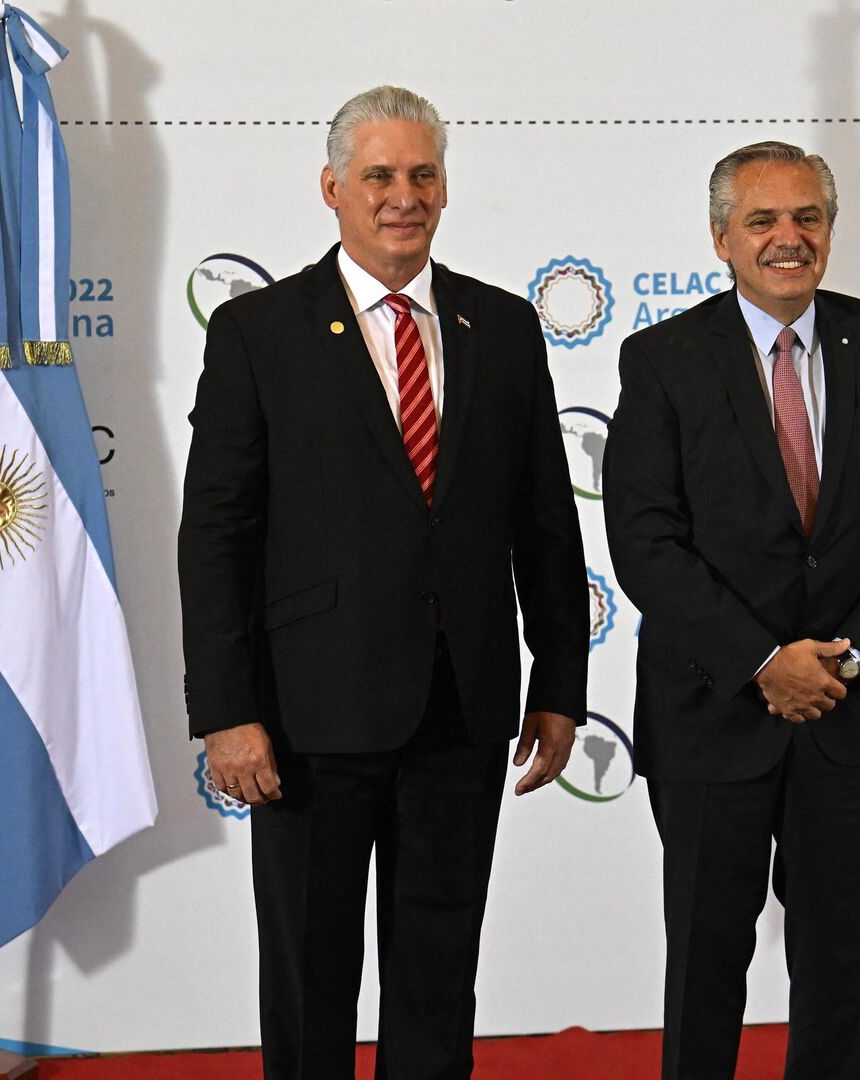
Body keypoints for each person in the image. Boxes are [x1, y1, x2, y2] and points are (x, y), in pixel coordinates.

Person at [177, 85, 586, 1079]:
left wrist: (561, 687)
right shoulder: (259, 333)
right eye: (379, 177)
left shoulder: (504, 327)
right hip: (306, 719)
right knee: (310, 976)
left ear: (443, 187)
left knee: (440, 976)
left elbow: (546, 521)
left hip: (463, 705)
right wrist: (227, 712)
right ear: (333, 189)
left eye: (421, 175)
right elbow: (215, 536)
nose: (403, 196)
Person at [603, 141, 860, 1079]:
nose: (787, 238)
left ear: (831, 230)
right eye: (763, 220)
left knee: (837, 966)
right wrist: (764, 662)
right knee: (705, 965)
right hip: (712, 716)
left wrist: (849, 661)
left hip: (844, 710)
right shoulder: (664, 358)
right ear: (721, 237)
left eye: (808, 218)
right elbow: (644, 543)